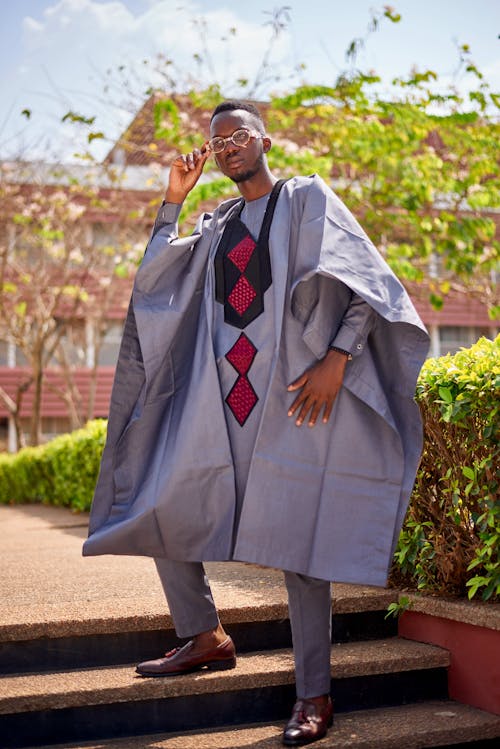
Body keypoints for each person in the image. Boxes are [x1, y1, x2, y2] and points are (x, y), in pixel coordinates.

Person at [83, 100, 429, 746]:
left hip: (291, 402)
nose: (228, 146)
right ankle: (205, 632)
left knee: (300, 546)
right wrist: (171, 204)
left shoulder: (306, 200)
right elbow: (154, 283)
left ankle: (314, 695)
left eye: (238, 134)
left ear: (265, 138)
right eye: (217, 142)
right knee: (163, 499)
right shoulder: (213, 226)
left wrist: (337, 356)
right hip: (221, 407)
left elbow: (368, 282)